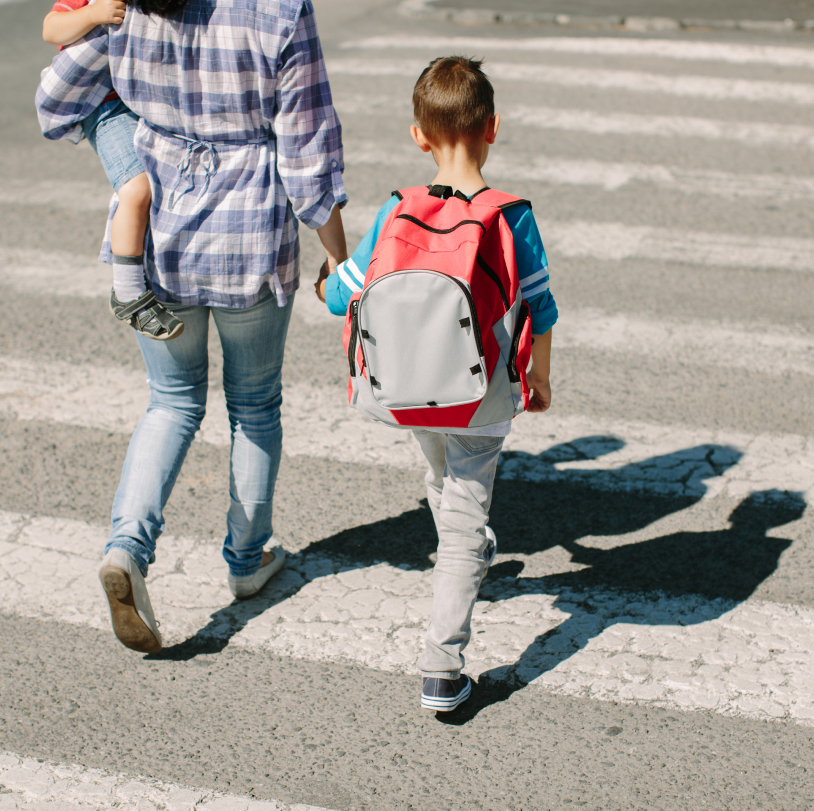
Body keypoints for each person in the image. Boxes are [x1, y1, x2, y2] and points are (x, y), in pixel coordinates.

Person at [36, 0, 348, 653]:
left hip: (159, 237)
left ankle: (127, 546)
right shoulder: (279, 11)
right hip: (250, 235)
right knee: (255, 404)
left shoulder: (136, 3)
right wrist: (338, 258)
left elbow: (56, 98)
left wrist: (133, 146)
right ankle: (246, 557)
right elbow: (306, 148)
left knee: (171, 403)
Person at [316, 56, 558, 712]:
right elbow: (542, 307)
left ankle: (468, 547)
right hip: (479, 395)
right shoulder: (512, 217)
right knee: (462, 517)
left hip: (405, 393)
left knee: (440, 480)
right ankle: (442, 667)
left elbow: (346, 296)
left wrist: (323, 281)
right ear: (494, 128)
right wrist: (538, 375)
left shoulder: (398, 210)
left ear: (418, 136)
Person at [42, 0, 182, 340]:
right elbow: (51, 29)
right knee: (137, 186)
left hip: (149, 99)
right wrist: (92, 14)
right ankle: (129, 292)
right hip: (106, 106)